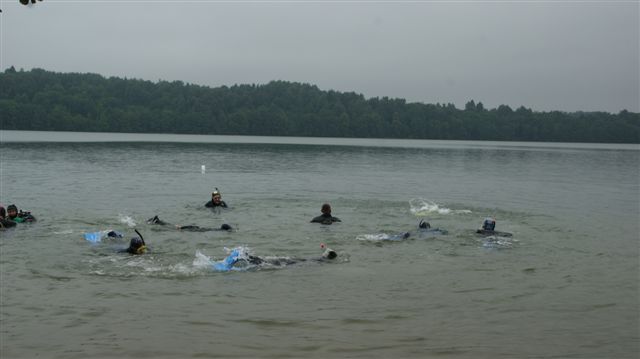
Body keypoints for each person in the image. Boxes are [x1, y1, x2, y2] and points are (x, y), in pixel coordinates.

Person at [147, 215, 233, 232]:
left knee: (175, 227)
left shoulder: (218, 230)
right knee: (176, 228)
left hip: (197, 229)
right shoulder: (219, 231)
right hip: (196, 230)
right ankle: (158, 221)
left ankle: (158, 221)